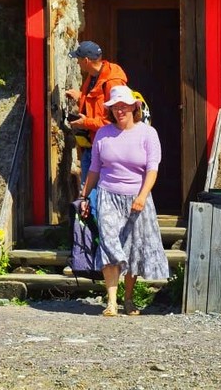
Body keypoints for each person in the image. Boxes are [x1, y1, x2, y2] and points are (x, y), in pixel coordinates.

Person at [79, 84, 170, 316]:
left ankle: (127, 299)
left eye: (124, 106)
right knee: (109, 245)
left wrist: (142, 196)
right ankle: (111, 302)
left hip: (136, 198)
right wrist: (85, 196)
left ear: (133, 107)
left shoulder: (148, 134)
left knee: (132, 249)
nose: (120, 111)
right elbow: (94, 169)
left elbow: (152, 169)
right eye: (115, 107)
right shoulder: (103, 134)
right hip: (108, 194)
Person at [65, 41, 127, 219]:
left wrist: (86, 123)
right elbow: (96, 106)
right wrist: (80, 97)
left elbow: (116, 121)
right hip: (91, 146)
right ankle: (91, 238)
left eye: (78, 59)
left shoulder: (113, 82)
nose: (77, 62)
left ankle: (98, 239)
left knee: (98, 198)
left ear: (86, 60)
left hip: (105, 148)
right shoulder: (93, 77)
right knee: (89, 197)